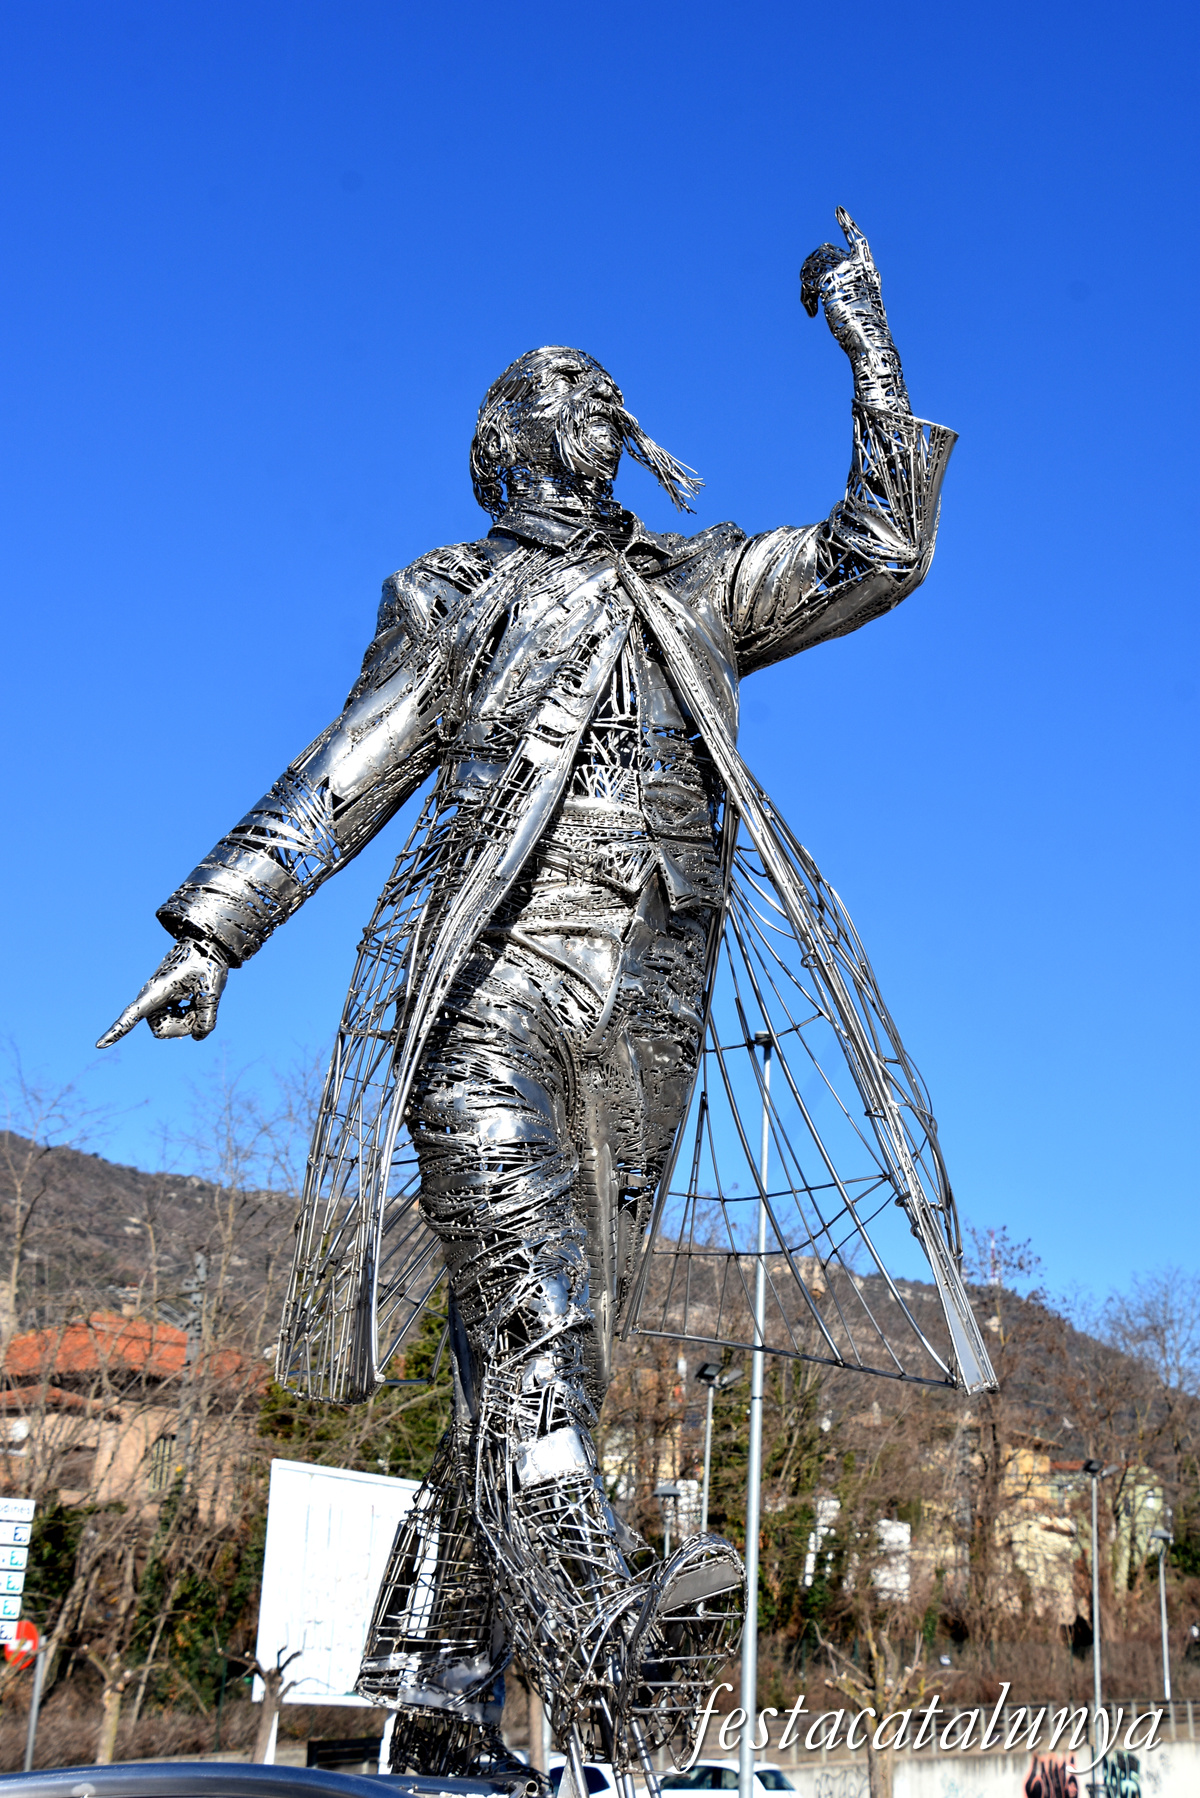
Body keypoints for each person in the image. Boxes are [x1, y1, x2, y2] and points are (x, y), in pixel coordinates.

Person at [99, 211, 955, 1781]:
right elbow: (348, 769)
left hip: (650, 1013)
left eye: (598, 389)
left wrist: (867, 346)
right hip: (492, 993)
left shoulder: (701, 584)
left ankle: (446, 1687)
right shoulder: (449, 593)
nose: (588, 398)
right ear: (507, 448)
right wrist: (216, 928)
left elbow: (880, 551)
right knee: (539, 1328)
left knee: (534, 1364)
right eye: (556, 391)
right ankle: (611, 1640)